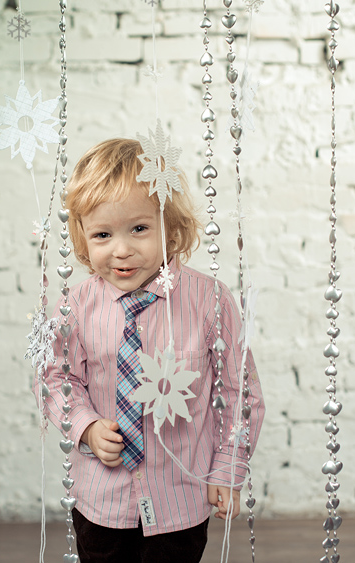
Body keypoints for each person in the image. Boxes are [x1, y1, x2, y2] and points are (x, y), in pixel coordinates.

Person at [39, 138, 265, 563]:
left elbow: (239, 393)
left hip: (181, 498)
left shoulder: (210, 300)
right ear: (83, 240)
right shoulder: (76, 306)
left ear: (171, 227)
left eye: (139, 229)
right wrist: (86, 427)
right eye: (102, 234)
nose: (121, 249)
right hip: (102, 501)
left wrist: (228, 468)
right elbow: (56, 377)